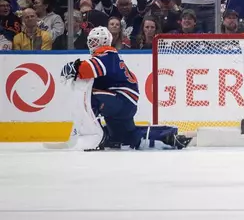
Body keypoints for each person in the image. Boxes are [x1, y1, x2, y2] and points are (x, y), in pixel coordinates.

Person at [60, 27, 192, 150]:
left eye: (95, 41)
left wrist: (74, 67)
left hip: (121, 100)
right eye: (90, 41)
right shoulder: (107, 56)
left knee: (90, 98)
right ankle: (168, 137)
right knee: (127, 138)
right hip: (123, 103)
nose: (91, 44)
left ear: (104, 41)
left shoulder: (108, 53)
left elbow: (87, 69)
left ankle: (94, 137)